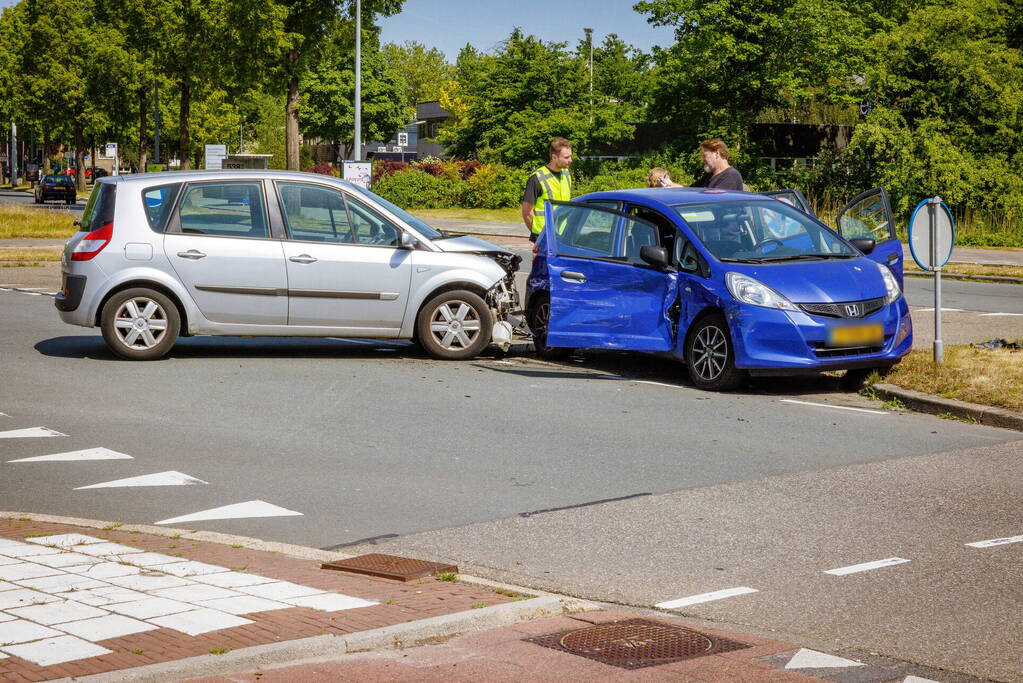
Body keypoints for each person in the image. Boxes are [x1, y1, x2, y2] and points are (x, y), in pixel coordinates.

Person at [521, 138, 573, 243]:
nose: (570, 160)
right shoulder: (537, 178)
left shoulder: (566, 174)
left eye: (570, 156)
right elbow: (526, 212)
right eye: (566, 157)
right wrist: (539, 235)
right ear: (554, 157)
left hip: (561, 235)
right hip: (543, 237)